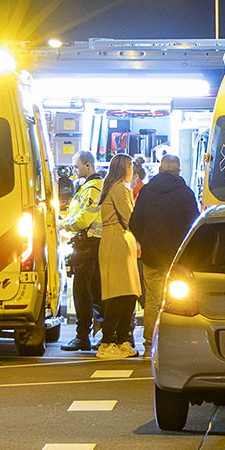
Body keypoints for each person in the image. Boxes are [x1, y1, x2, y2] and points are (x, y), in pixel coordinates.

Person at [127, 152, 200, 355]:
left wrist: (147, 241)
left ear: (160, 169)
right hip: (177, 259)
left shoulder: (147, 191)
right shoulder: (186, 193)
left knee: (152, 301)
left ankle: (150, 343)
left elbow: (134, 223)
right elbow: (194, 226)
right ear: (178, 171)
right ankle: (174, 346)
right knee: (179, 301)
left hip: (151, 256)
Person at [94, 154, 140, 361]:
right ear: (124, 168)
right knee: (119, 294)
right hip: (117, 242)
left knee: (125, 294)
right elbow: (130, 217)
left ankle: (121, 340)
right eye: (131, 166)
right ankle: (108, 342)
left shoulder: (114, 187)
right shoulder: (120, 188)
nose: (133, 169)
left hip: (117, 241)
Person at [59, 152, 103, 351]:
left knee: (87, 294)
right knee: (85, 293)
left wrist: (63, 224)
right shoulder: (87, 187)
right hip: (86, 246)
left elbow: (83, 219)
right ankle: (85, 336)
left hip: (90, 246)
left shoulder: (94, 189)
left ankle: (87, 336)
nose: (74, 171)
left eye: (76, 167)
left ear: (88, 164)